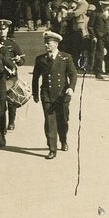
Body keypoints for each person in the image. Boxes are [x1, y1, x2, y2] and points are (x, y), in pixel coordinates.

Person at [32, 31, 77, 159]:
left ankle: (63, 140)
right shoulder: (40, 59)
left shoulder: (66, 57)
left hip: (62, 94)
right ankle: (52, 148)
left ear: (56, 44)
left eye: (49, 43)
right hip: (46, 94)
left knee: (63, 120)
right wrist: (35, 93)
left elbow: (73, 74)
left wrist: (71, 88)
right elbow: (36, 78)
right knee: (49, 121)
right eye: (45, 43)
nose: (46, 46)